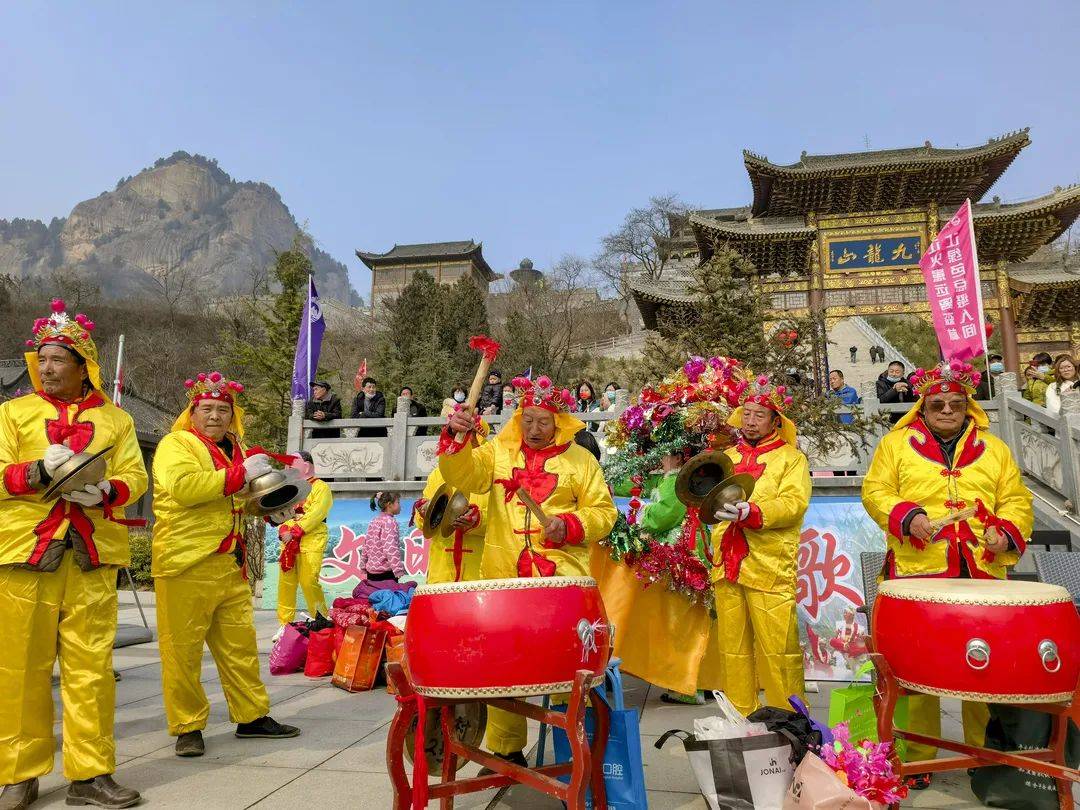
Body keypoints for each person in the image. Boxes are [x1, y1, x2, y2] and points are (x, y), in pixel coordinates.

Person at [0, 300, 147, 809]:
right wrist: (38, 471)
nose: (46, 368)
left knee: (91, 668)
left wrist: (106, 491)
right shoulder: (12, 413)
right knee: (20, 668)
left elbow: (136, 476)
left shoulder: (117, 420)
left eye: (58, 359)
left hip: (91, 555)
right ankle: (19, 773)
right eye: (41, 359)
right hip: (24, 554)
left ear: (84, 365)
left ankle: (91, 774)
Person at [862, 360, 1032, 789]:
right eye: (937, 403)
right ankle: (918, 757)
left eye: (956, 403)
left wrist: (1003, 532)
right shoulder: (896, 445)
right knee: (915, 666)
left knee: (983, 666)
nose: (946, 410)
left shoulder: (995, 450)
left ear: (968, 407)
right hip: (919, 571)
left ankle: (982, 753)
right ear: (923, 405)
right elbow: (876, 490)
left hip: (981, 571)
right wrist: (908, 515)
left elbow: (1015, 499)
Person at [443, 374, 618, 766]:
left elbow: (605, 514)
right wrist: (457, 439)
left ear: (559, 422)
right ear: (518, 417)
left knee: (566, 666)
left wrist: (571, 524)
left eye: (544, 421)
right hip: (505, 580)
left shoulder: (581, 460)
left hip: (560, 582)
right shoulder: (498, 453)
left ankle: (573, 750)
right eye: (528, 419)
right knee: (505, 667)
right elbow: (462, 474)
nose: (534, 429)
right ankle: (508, 751)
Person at [152, 371, 300, 759]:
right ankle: (188, 726)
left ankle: (251, 716)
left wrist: (271, 507)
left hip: (229, 562)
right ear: (192, 412)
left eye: (223, 409)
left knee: (239, 647)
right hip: (185, 562)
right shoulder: (175, 444)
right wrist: (239, 474)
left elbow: (239, 498)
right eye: (207, 409)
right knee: (181, 651)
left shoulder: (236, 448)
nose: (215, 416)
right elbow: (186, 488)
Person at [709, 376, 810, 718]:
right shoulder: (728, 457)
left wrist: (754, 512)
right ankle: (739, 722)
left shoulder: (791, 459)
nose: (750, 421)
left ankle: (791, 725)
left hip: (769, 566)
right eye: (746, 413)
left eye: (759, 415)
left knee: (778, 651)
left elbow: (794, 503)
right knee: (733, 651)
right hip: (727, 564)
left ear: (774, 421)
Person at [415, 422, 487, 584]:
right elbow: (422, 525)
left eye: (468, 435)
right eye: (456, 435)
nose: (460, 441)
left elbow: (503, 520)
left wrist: (477, 520)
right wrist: (425, 513)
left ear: (478, 440)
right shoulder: (437, 474)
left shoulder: (490, 475)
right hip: (441, 569)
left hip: (479, 571)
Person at [273, 451, 332, 634]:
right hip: (289, 542)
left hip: (311, 539)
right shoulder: (289, 488)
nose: (286, 469)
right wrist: (283, 529)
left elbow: (317, 513)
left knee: (309, 581)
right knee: (286, 584)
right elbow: (281, 511)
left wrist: (296, 530)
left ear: (306, 466)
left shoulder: (321, 487)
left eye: (291, 465)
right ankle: (284, 624)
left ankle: (321, 618)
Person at [360, 491, 405, 581]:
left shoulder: (374, 521)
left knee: (375, 595)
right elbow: (390, 547)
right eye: (398, 502)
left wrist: (363, 564)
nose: (400, 506)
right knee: (388, 595)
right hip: (385, 573)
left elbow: (366, 545)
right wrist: (397, 569)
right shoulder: (390, 522)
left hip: (371, 572)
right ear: (389, 505)